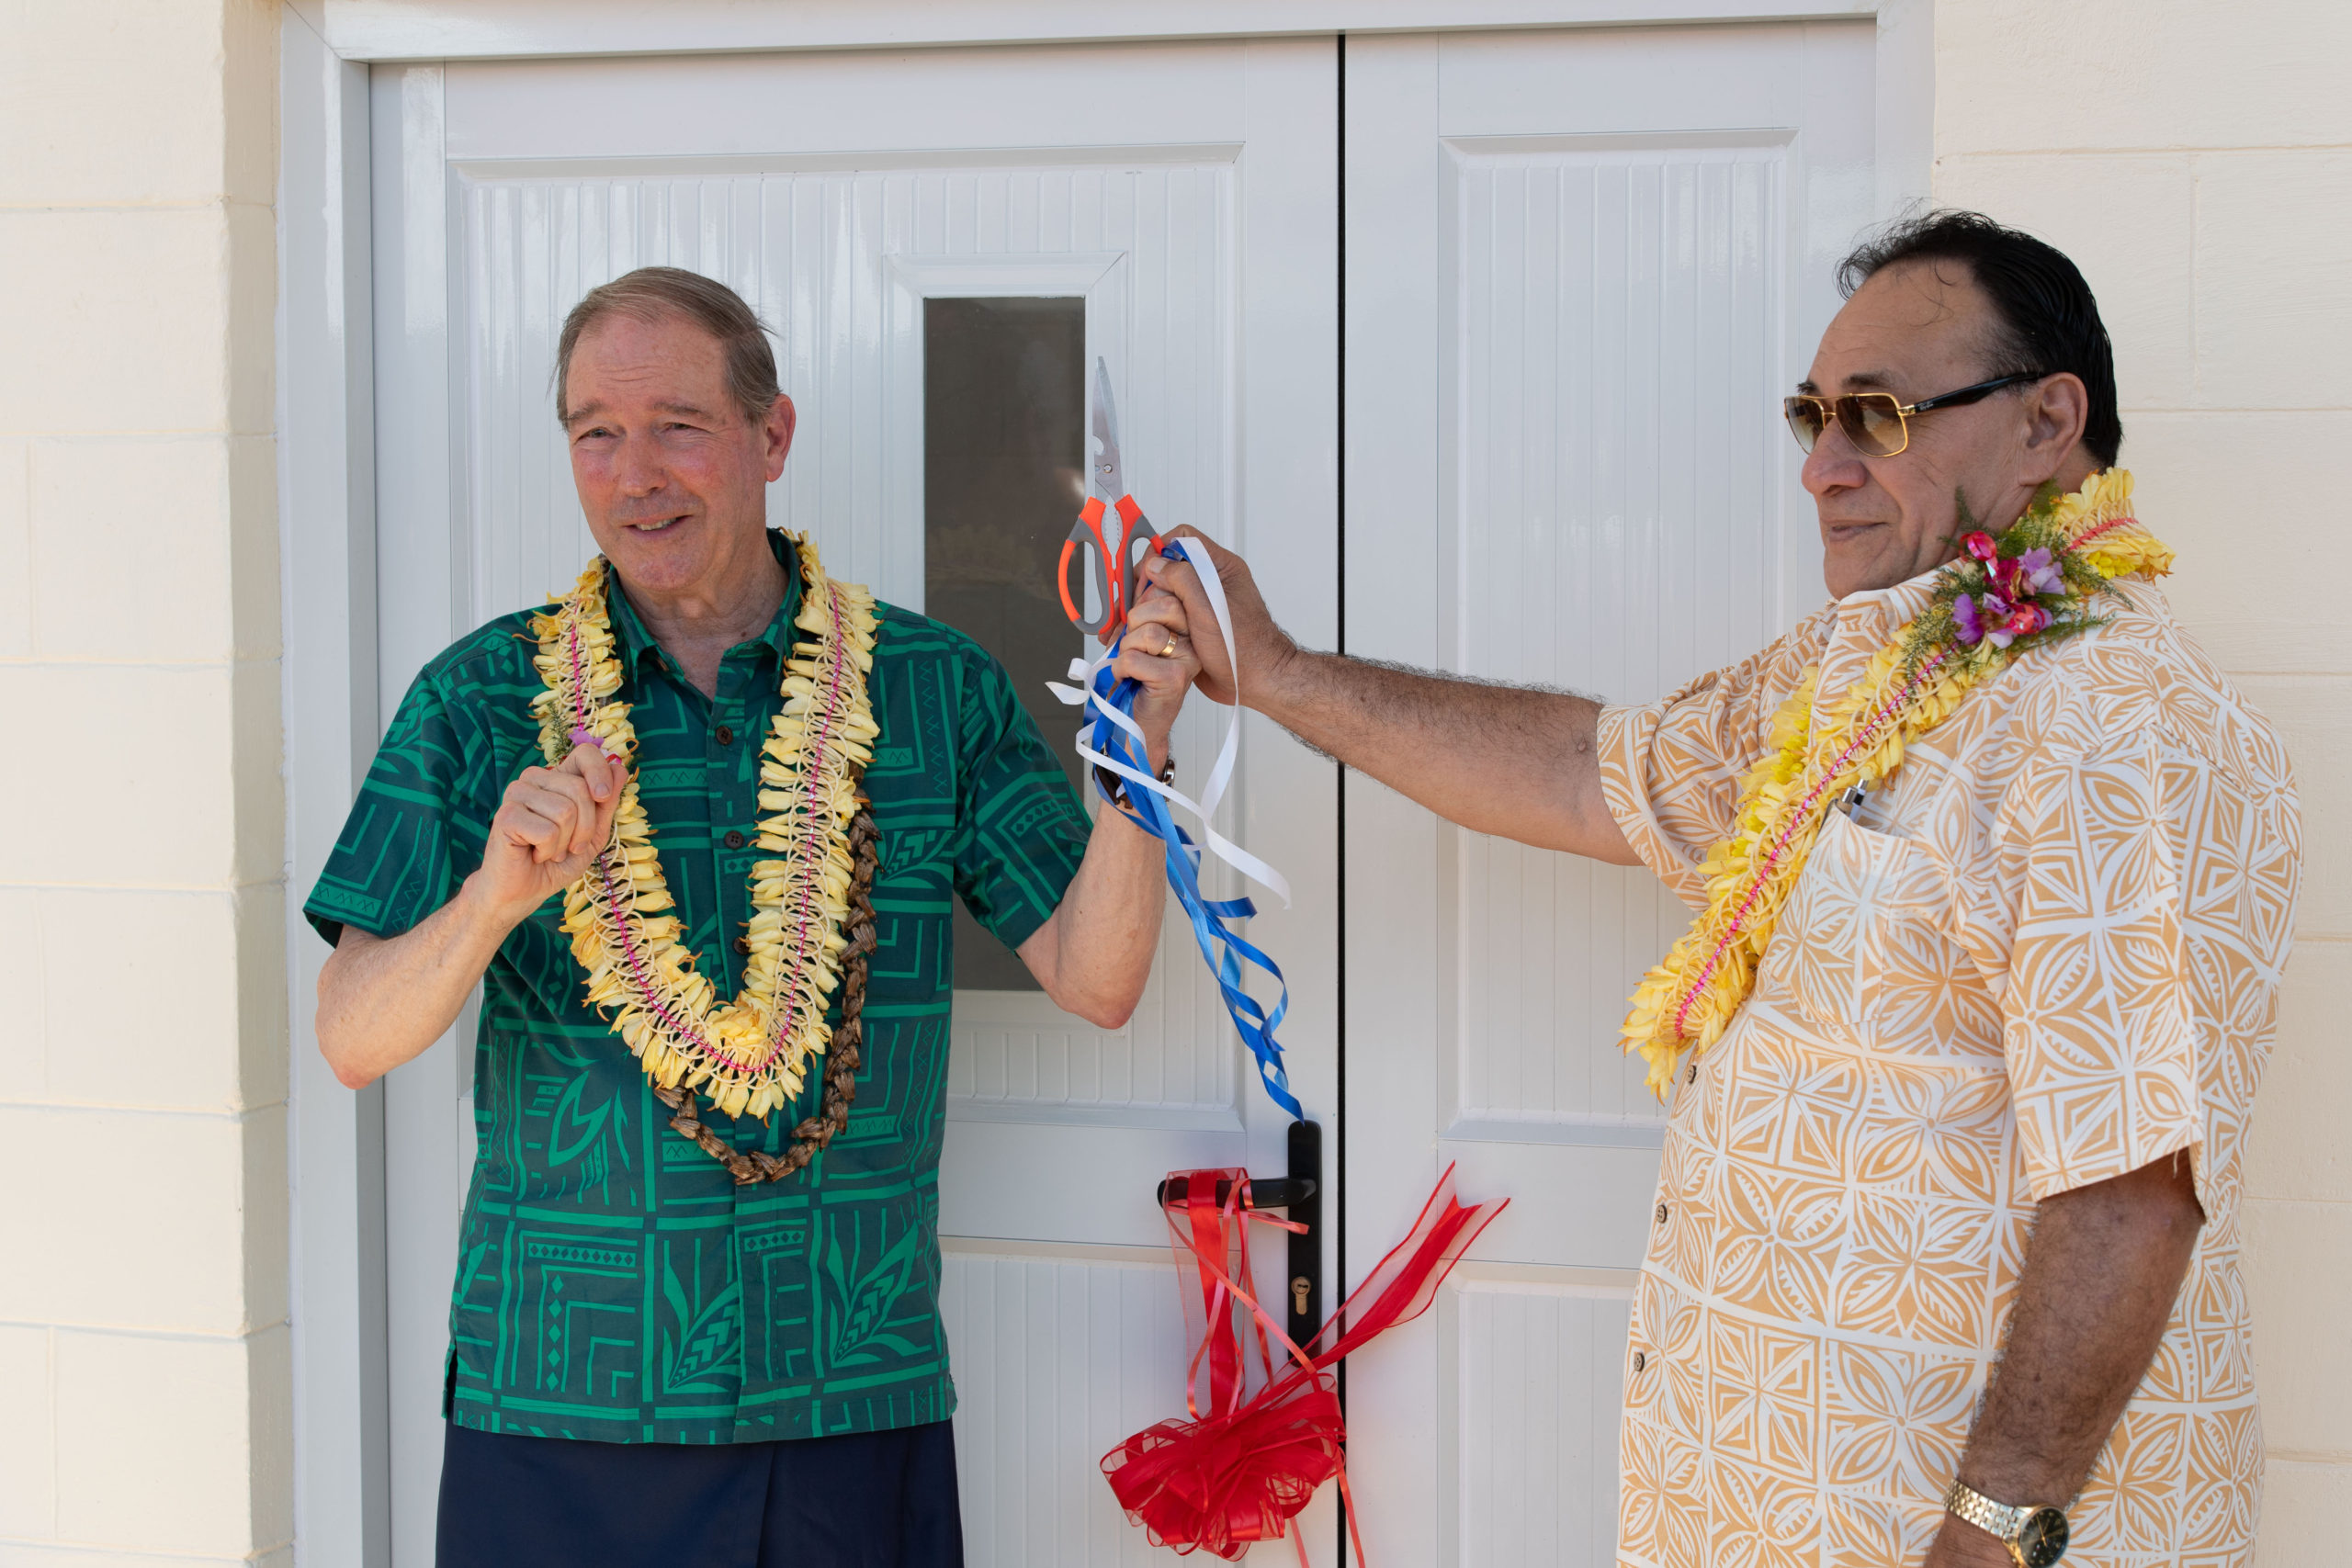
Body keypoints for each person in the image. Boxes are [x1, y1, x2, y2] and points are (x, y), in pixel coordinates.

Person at [1136, 212, 2301, 1568]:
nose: (1822, 466)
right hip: (1774, 1513)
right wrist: (1274, 671)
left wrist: (1990, 1536)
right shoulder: (1863, 671)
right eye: (1813, 413)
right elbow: (1590, 774)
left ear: (2049, 422)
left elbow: (2127, 1191)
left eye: (1877, 414)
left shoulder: (2109, 722)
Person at [306, 267, 1199, 1567]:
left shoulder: (929, 686)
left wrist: (1134, 759)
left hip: (849, 1391)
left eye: (677, 424)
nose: (633, 474)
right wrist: (495, 898)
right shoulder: (482, 694)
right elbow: (351, 1035)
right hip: (564, 1414)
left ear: (771, 437)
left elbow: (1098, 975)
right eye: (593, 433)